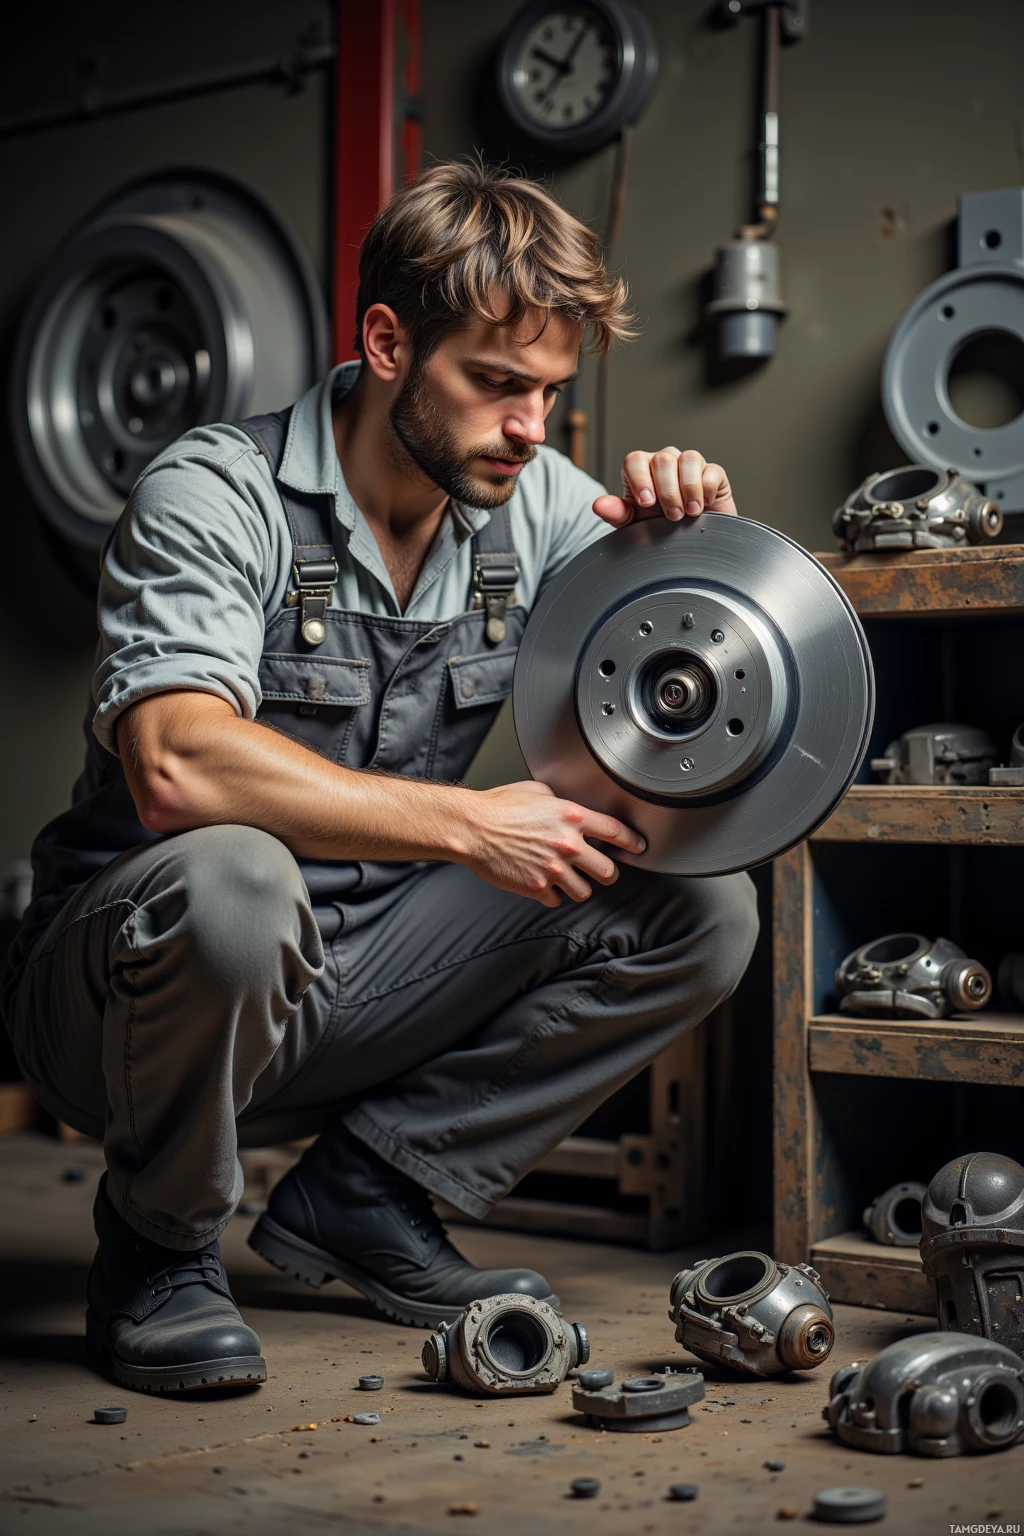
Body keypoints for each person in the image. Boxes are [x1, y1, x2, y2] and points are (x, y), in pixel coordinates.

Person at [2, 161, 759, 1395]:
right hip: (131, 1005)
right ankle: (156, 1242)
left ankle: (370, 1191)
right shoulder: (216, 489)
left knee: (700, 909)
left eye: (553, 393)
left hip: (353, 989)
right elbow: (172, 764)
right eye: (497, 384)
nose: (531, 426)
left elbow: (694, 677)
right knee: (238, 882)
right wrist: (465, 824)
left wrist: (701, 541)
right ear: (389, 341)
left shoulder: (540, 503)